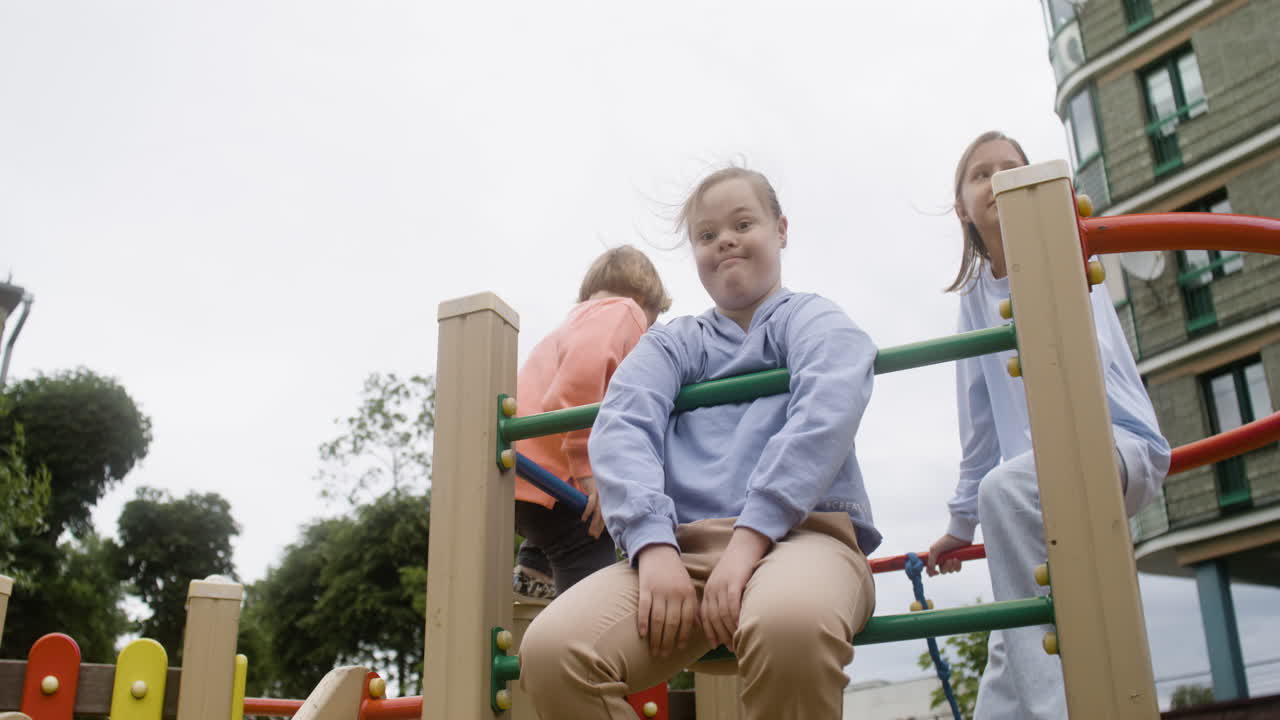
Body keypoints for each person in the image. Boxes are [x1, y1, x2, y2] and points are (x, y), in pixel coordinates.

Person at [519, 167, 881, 720]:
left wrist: (749, 538)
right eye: (707, 235)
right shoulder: (674, 342)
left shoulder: (811, 319)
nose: (725, 240)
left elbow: (827, 407)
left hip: (803, 538)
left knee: (789, 626)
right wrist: (652, 542)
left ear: (781, 229)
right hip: (682, 555)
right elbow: (622, 423)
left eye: (743, 223)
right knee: (551, 652)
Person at [925, 131, 1172, 719]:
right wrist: (961, 523)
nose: (997, 180)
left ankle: (1056, 710)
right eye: (981, 173)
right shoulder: (976, 297)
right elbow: (978, 422)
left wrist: (979, 505)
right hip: (1036, 481)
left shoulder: (1067, 259)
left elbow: (1088, 370)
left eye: (1011, 169)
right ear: (962, 207)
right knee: (1019, 631)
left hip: (1114, 445)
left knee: (1004, 496)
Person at [513, 245, 672, 600]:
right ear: (643, 298)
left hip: (520, 474)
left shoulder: (566, 328)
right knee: (594, 567)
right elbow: (576, 386)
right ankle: (581, 642)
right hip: (559, 482)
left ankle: (533, 567)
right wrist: (590, 471)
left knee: (562, 539)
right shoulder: (624, 312)